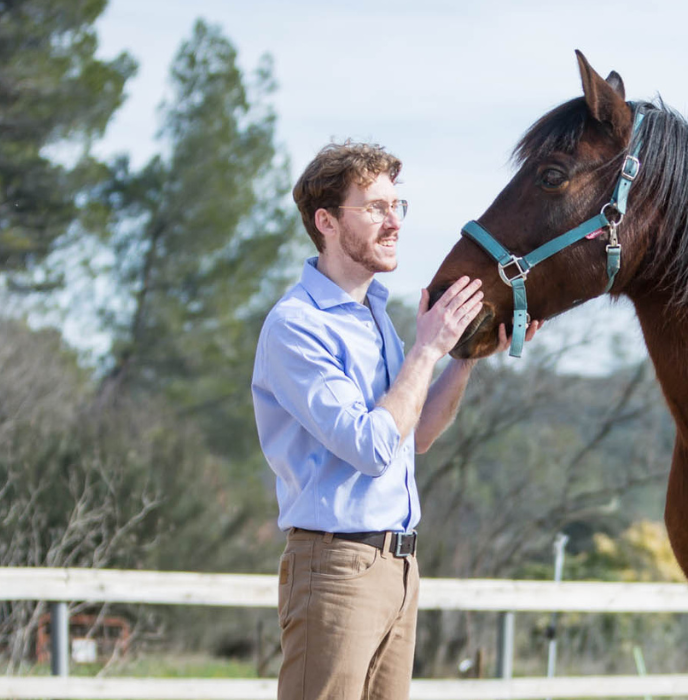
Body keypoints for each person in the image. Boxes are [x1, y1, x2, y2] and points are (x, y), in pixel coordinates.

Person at [252, 141, 536, 700]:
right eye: (375, 207)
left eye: (396, 206)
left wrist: (463, 358)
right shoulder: (296, 326)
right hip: (335, 570)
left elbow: (417, 435)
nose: (393, 222)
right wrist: (426, 352)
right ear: (327, 221)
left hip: (399, 570)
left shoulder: (375, 319)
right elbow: (371, 446)